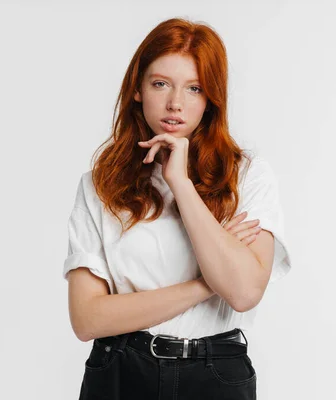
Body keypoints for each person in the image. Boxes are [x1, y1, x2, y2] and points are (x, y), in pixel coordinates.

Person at [63, 17, 293, 400]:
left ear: (210, 99)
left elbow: (243, 293)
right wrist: (205, 284)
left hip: (215, 371)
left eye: (194, 88)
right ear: (138, 89)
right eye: (160, 84)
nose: (175, 103)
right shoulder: (99, 185)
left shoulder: (248, 176)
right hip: (120, 370)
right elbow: (87, 320)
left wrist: (181, 185)